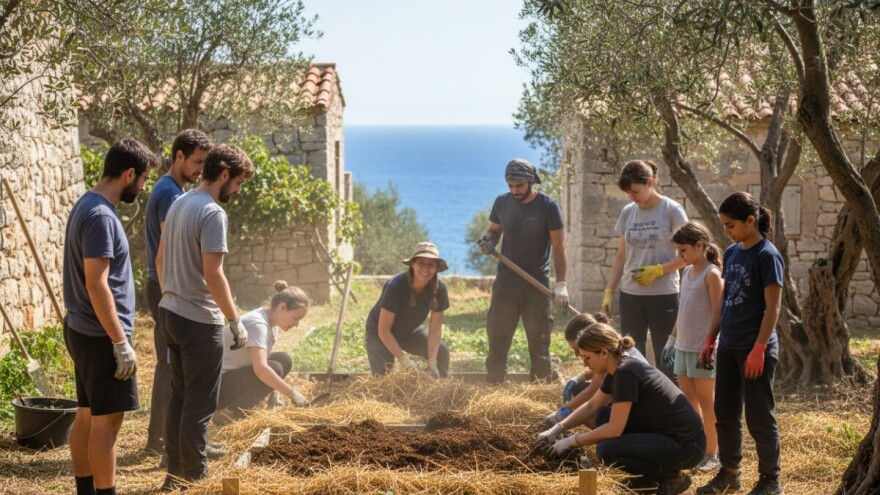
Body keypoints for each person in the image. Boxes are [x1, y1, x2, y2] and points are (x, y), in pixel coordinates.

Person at [155, 143, 254, 490]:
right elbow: (214, 274)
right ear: (224, 174)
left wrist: (172, 290)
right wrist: (234, 319)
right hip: (199, 321)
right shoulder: (213, 213)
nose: (238, 191)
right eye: (238, 182)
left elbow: (160, 258)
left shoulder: (180, 202)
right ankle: (195, 479)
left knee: (179, 398)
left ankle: (174, 476)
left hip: (170, 312)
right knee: (199, 405)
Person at [63, 138, 159, 495]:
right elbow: (97, 283)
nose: (144, 186)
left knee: (87, 416)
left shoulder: (86, 204)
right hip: (102, 335)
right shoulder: (102, 216)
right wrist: (120, 342)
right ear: (128, 173)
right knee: (107, 425)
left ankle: (85, 491)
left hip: (82, 329)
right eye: (143, 178)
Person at [534, 322, 705, 495]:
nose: (585, 365)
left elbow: (615, 429)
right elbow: (592, 405)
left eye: (587, 358)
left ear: (604, 352)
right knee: (602, 417)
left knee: (607, 450)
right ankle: (649, 479)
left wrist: (571, 441)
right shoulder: (617, 369)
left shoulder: (626, 373)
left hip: (687, 446)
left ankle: (670, 477)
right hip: (670, 436)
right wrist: (557, 428)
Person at [696, 192, 785, 495]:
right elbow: (724, 299)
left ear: (751, 221)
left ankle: (770, 481)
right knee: (726, 413)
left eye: (731, 225)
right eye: (723, 225)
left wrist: (759, 349)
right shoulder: (732, 252)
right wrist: (711, 337)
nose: (726, 231)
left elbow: (773, 308)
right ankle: (730, 474)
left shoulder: (767, 255)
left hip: (755, 349)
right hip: (729, 345)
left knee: (759, 416)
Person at [143, 129, 211, 454]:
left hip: (163, 287)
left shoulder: (172, 189)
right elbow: (168, 252)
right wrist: (175, 293)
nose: (201, 169)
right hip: (164, 288)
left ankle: (163, 440)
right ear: (179, 156)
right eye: (197, 161)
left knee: (171, 365)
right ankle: (160, 442)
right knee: (170, 365)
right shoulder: (171, 195)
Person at [477, 158, 568, 383]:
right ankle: (495, 388)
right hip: (506, 283)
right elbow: (493, 230)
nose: (514, 190)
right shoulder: (502, 202)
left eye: (519, 185)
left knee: (539, 344)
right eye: (510, 186)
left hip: (536, 284)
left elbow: (558, 248)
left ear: (530, 181)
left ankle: (538, 392)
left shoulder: (548, 206)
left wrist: (561, 284)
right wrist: (488, 241)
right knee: (498, 340)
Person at [603, 160, 688, 380]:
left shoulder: (672, 211)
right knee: (631, 356)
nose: (633, 197)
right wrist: (610, 291)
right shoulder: (628, 212)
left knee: (666, 358)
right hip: (631, 295)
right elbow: (621, 254)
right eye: (628, 193)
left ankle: (669, 408)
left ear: (650, 182)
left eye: (636, 191)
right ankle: (638, 407)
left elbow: (688, 256)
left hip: (664, 295)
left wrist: (659, 270)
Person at [660, 221, 724, 473]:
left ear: (700, 246)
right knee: (689, 404)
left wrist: (710, 344)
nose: (679, 256)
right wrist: (671, 339)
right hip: (684, 348)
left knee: (707, 403)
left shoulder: (712, 275)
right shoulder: (686, 273)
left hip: (703, 350)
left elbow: (718, 315)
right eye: (677, 251)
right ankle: (696, 450)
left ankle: (713, 453)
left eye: (683, 250)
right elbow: (683, 311)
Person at [216, 281, 310, 421]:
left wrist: (274, 396)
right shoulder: (258, 324)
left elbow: (263, 362)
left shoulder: (272, 322)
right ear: (282, 307)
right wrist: (292, 393)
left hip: (230, 377)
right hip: (214, 387)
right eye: (296, 318)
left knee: (284, 359)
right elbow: (261, 369)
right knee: (275, 368)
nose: (296, 325)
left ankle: (235, 409)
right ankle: (230, 414)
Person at [365, 242, 451, 377]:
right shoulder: (396, 286)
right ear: (412, 264)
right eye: (421, 263)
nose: (425, 269)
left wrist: (432, 361)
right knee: (384, 377)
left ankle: (442, 390)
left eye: (430, 264)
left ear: (436, 268)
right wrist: (404, 360)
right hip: (379, 334)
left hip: (407, 332)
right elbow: (383, 330)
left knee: (441, 351)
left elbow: (435, 329)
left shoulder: (440, 289)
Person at [539, 312, 612, 430]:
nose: (577, 354)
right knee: (579, 390)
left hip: (637, 418)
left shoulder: (621, 363)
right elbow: (600, 373)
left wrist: (563, 413)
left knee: (599, 417)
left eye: (577, 349)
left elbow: (593, 394)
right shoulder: (610, 349)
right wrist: (579, 377)